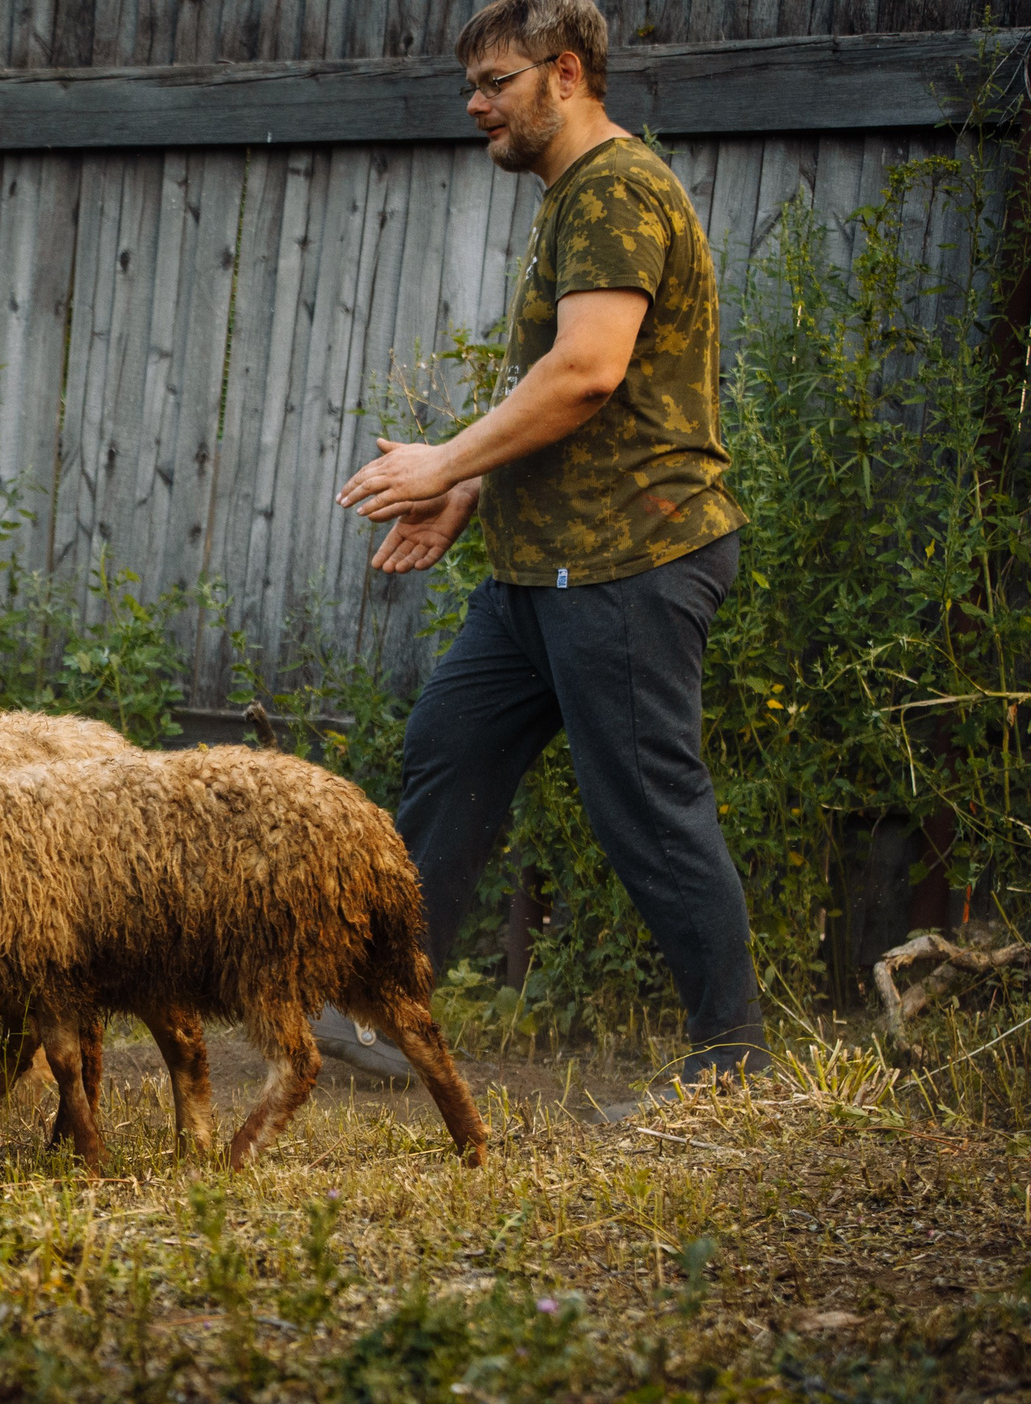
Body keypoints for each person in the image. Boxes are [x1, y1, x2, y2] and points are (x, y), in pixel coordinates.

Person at [323, 0, 769, 1104]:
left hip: (630, 559)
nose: (475, 103)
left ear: (564, 73)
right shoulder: (573, 195)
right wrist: (472, 485)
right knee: (449, 750)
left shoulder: (616, 189)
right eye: (469, 84)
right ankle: (383, 1006)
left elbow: (587, 372)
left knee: (647, 807)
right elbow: (563, 394)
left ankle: (732, 1062)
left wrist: (438, 463)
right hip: (544, 570)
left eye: (494, 81)